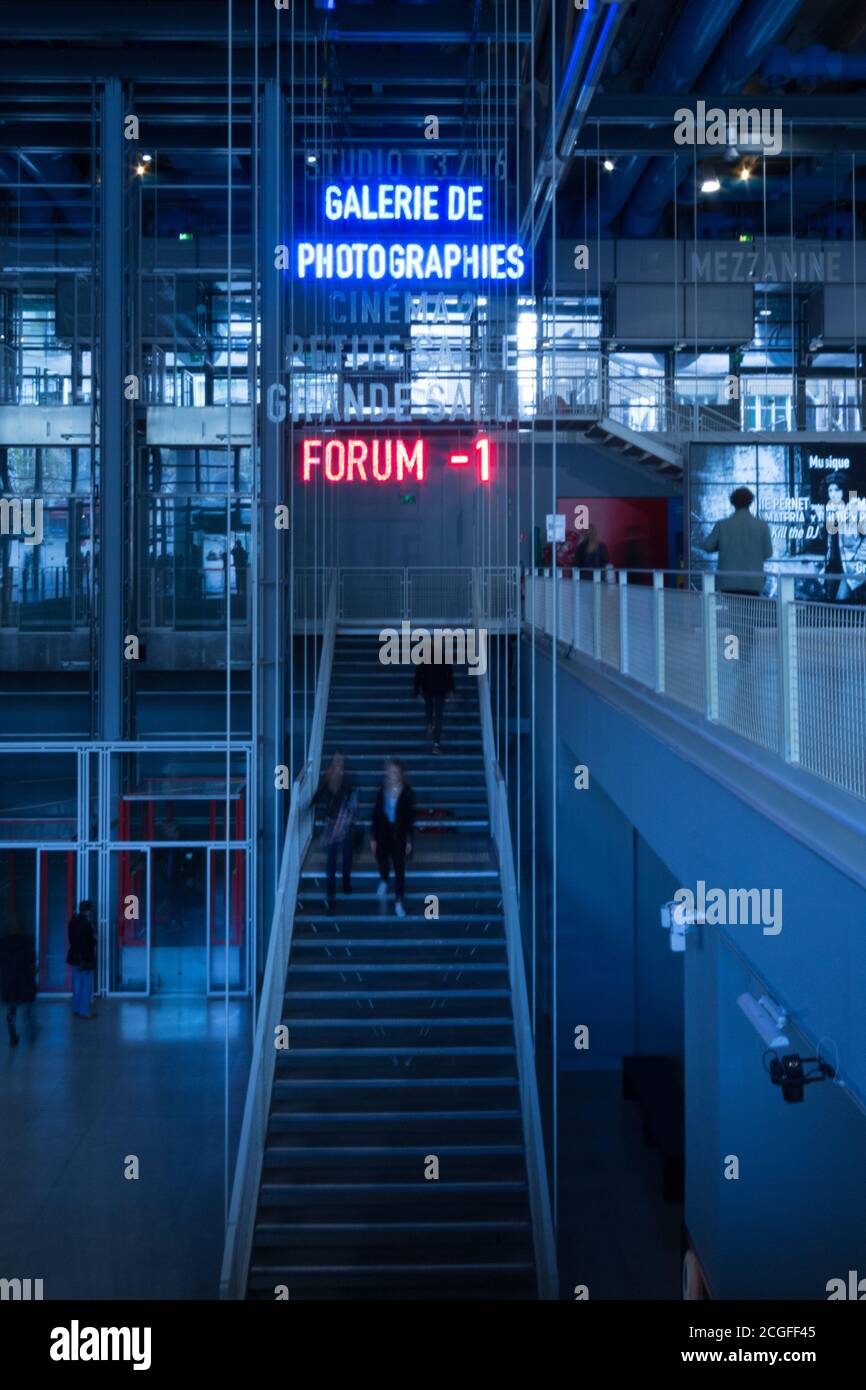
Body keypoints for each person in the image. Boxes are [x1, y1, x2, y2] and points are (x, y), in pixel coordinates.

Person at [700, 486, 772, 593]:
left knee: (730, 610)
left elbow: (707, 546)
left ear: (732, 502)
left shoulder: (722, 525)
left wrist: (722, 545)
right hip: (754, 583)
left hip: (728, 582)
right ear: (750, 502)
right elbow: (768, 553)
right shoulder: (762, 526)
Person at [370, 758, 415, 918]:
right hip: (383, 831)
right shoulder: (382, 789)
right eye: (389, 771)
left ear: (400, 774)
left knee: (399, 868)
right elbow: (376, 813)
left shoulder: (407, 792)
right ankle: (383, 878)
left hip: (399, 833)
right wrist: (373, 836)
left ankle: (398, 902)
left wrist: (409, 840)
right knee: (381, 858)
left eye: (394, 772)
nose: (391, 774)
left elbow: (410, 818)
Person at [314, 752, 358, 912]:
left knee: (347, 857)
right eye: (336, 761)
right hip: (332, 825)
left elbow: (353, 800)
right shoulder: (327, 781)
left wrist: (350, 816)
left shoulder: (348, 782)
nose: (338, 765)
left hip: (345, 825)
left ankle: (346, 883)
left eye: (341, 762)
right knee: (331, 864)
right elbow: (317, 798)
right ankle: (331, 900)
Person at [0, 915, 37, 1047]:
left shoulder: (2, 942)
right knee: (28, 1008)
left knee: (11, 1010)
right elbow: (32, 959)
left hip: (9, 980)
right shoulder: (27, 940)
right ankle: (31, 1031)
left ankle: (12, 1033)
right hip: (25, 979)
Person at [414, 660, 454, 754]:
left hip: (427, 686)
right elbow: (449, 673)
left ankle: (429, 723)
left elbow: (419, 674)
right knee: (439, 715)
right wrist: (451, 689)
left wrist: (416, 691)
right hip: (440, 688)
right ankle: (436, 743)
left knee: (429, 707)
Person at [67, 899, 97, 1019]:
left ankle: (76, 1008)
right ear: (88, 911)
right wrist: (95, 939)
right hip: (86, 958)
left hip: (75, 957)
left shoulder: (72, 922)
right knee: (87, 985)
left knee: (77, 984)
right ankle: (85, 1011)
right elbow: (89, 942)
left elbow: (71, 940)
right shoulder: (87, 924)